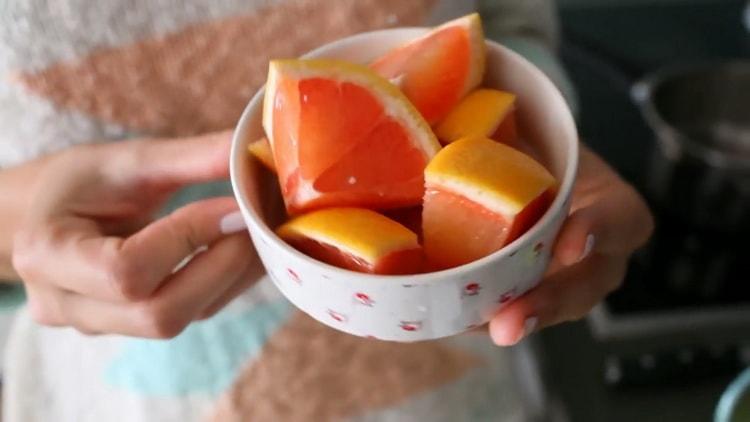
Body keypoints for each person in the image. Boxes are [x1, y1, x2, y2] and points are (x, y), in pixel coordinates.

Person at [0, 0, 653, 420]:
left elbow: (503, 27)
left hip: (463, 372)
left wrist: (543, 131)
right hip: (128, 396)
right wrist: (24, 229)